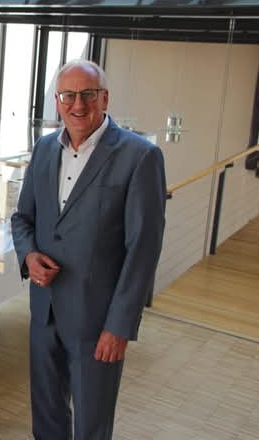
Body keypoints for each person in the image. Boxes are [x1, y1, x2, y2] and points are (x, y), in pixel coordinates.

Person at [11, 59, 166, 440]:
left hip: (98, 323)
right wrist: (29, 255)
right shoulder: (44, 148)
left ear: (105, 98)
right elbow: (22, 218)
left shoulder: (140, 156)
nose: (77, 105)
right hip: (45, 311)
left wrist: (119, 326)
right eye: (68, 95)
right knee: (46, 418)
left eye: (88, 95)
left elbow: (143, 250)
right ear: (57, 101)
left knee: (92, 425)